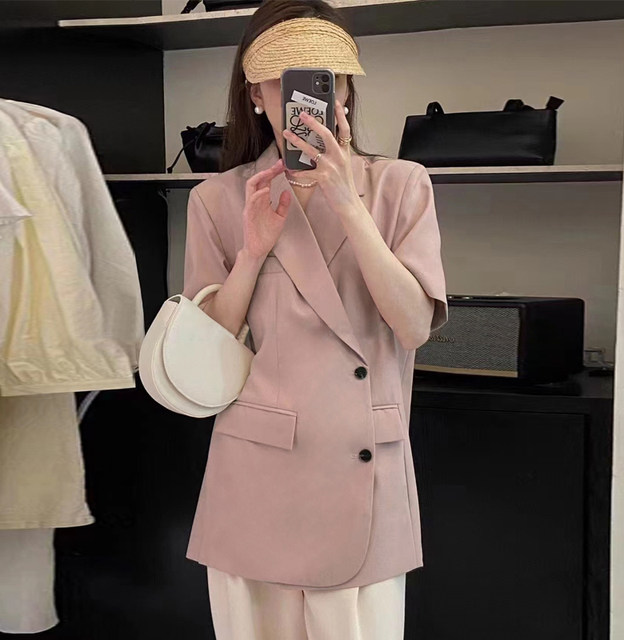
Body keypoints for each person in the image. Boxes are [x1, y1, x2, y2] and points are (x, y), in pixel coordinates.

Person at [181, 0, 449, 638]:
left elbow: (413, 327)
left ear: (345, 91)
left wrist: (347, 204)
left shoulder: (401, 185)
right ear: (256, 95)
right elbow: (208, 345)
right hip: (257, 473)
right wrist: (252, 253)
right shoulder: (217, 199)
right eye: (285, 81)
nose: (306, 99)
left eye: (324, 80)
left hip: (362, 468)